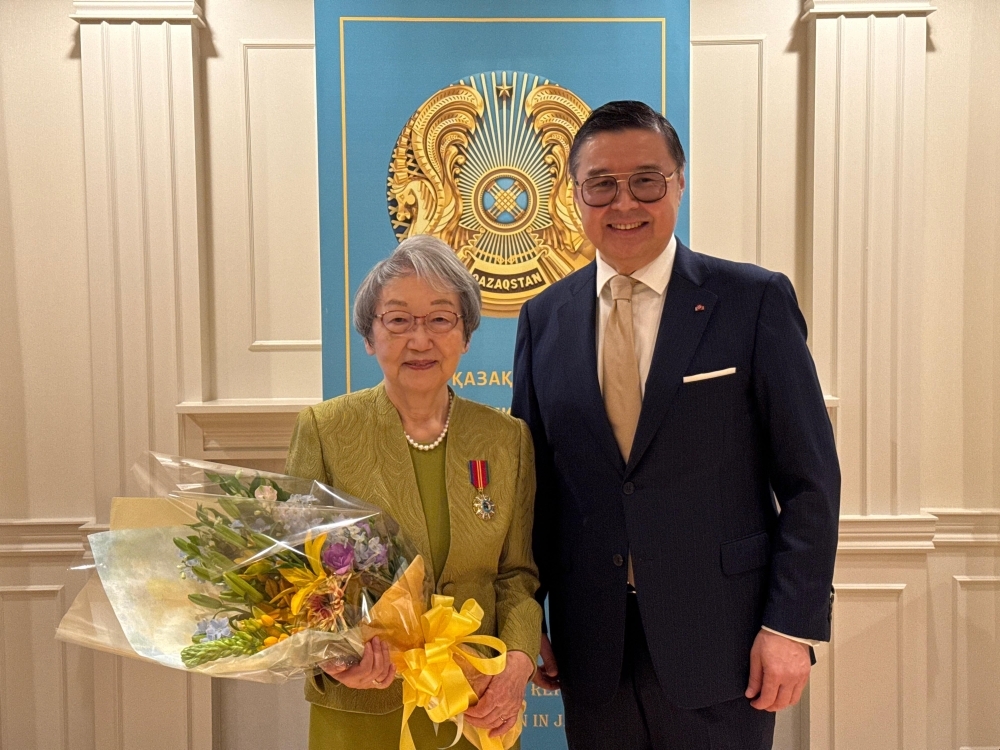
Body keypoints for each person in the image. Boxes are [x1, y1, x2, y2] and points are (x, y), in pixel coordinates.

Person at [511, 100, 840, 749]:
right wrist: (528, 619)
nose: (623, 201)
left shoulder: (752, 301)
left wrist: (791, 626)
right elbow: (533, 491)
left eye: (646, 180)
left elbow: (810, 481)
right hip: (592, 647)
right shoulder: (542, 317)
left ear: (679, 183)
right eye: (601, 183)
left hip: (726, 645)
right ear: (575, 195)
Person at [286, 234, 541, 750]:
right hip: (364, 705)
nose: (419, 340)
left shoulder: (505, 438)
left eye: (441, 319)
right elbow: (292, 575)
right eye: (398, 320)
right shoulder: (325, 430)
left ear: (466, 335)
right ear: (369, 336)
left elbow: (517, 574)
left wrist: (516, 660)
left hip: (474, 701)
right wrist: (334, 660)